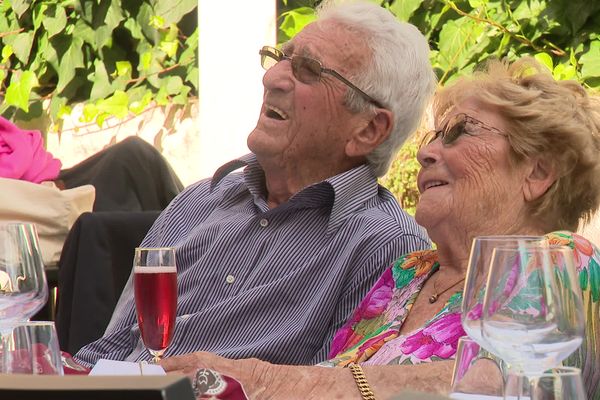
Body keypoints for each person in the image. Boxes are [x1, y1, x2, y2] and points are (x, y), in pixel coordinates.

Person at [160, 57, 600, 399]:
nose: (427, 152)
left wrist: (261, 379)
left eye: (460, 133)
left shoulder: (562, 260)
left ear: (537, 173)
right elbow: (328, 374)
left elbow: (498, 384)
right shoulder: (408, 274)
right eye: (433, 135)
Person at [74, 1, 436, 367]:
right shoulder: (201, 199)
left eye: (308, 69)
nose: (273, 78)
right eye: (280, 56)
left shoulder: (386, 248)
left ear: (368, 129)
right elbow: (110, 353)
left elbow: (333, 388)